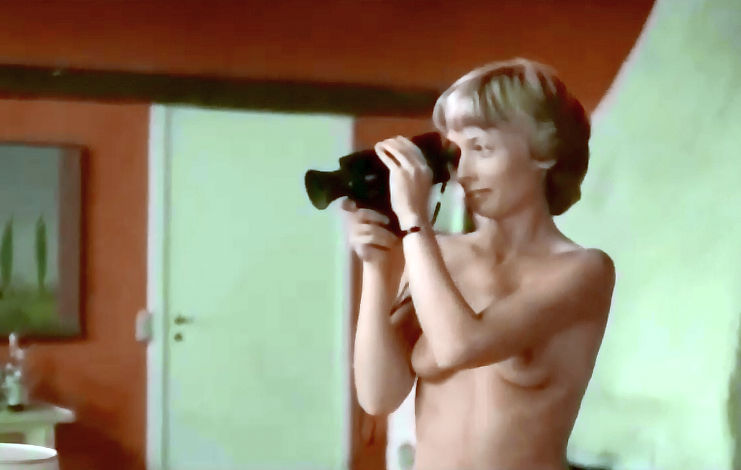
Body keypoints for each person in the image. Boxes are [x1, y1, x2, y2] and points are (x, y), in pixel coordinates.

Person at [343, 58, 615, 470]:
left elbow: (460, 346)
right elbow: (378, 396)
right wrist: (376, 268)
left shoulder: (583, 270)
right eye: (457, 152)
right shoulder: (439, 256)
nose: (464, 173)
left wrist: (414, 220)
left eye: (482, 148)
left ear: (544, 151)